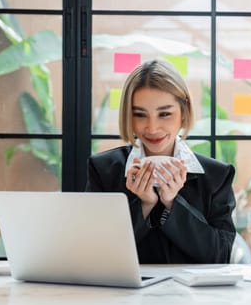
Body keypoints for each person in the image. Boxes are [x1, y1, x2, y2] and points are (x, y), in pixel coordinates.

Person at [85, 59, 236, 264]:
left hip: (193, 295)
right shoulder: (103, 170)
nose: (152, 127)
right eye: (140, 114)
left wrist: (173, 203)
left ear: (184, 112)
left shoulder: (216, 176)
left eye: (164, 114)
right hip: (123, 293)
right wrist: (144, 206)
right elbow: (96, 253)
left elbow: (220, 256)